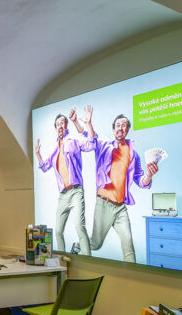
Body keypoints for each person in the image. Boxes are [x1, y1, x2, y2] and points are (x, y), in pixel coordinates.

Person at [83, 112, 158, 263]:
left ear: (127, 129)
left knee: (128, 245)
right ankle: (78, 247)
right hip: (103, 204)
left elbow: (141, 181)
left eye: (124, 125)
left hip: (120, 208)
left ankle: (133, 276)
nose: (120, 128)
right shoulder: (104, 146)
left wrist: (150, 175)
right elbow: (92, 138)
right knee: (95, 244)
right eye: (118, 125)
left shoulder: (133, 154)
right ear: (113, 130)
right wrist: (88, 123)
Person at [35, 107, 93, 255]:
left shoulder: (73, 139)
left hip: (76, 190)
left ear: (66, 125)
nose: (60, 126)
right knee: (58, 230)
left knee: (80, 226)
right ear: (55, 128)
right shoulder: (55, 148)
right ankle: (61, 259)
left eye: (62, 123)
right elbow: (44, 167)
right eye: (57, 124)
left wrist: (83, 123)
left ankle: (88, 259)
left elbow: (91, 144)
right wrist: (38, 154)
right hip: (63, 195)